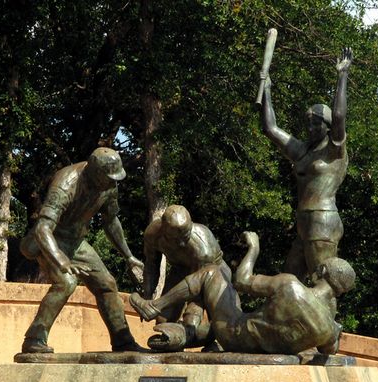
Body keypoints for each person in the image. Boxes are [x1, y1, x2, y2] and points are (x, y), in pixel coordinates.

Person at [129, 231, 354, 355]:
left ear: (320, 271)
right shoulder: (329, 329)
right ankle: (180, 335)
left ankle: (154, 307)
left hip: (235, 335)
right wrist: (333, 330)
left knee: (211, 272)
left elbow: (242, 281)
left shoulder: (290, 285)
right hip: (264, 348)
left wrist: (254, 248)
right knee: (215, 315)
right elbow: (329, 352)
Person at [19, 147, 145, 353]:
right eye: (109, 178)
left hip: (76, 242)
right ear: (95, 172)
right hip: (49, 240)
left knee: (107, 283)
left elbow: (111, 221)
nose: (114, 183)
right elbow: (43, 228)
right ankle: (34, 339)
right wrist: (60, 259)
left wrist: (129, 257)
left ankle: (123, 341)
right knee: (66, 283)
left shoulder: (109, 185)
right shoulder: (65, 183)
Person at [260, 48, 352, 281]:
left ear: (328, 126)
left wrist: (342, 76)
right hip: (303, 224)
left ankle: (326, 318)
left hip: (323, 222)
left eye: (316, 125)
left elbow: (340, 115)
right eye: (308, 124)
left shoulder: (334, 149)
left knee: (322, 282)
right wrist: (267, 89)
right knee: (287, 281)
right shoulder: (302, 151)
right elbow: (271, 129)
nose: (310, 129)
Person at [142, 205, 231, 350]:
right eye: (177, 239)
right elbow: (151, 265)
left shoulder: (203, 248)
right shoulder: (152, 234)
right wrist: (147, 295)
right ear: (164, 231)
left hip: (213, 273)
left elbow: (197, 294)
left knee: (192, 325)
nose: (183, 243)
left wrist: (190, 318)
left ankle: (216, 342)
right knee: (163, 320)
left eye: (186, 236)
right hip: (180, 269)